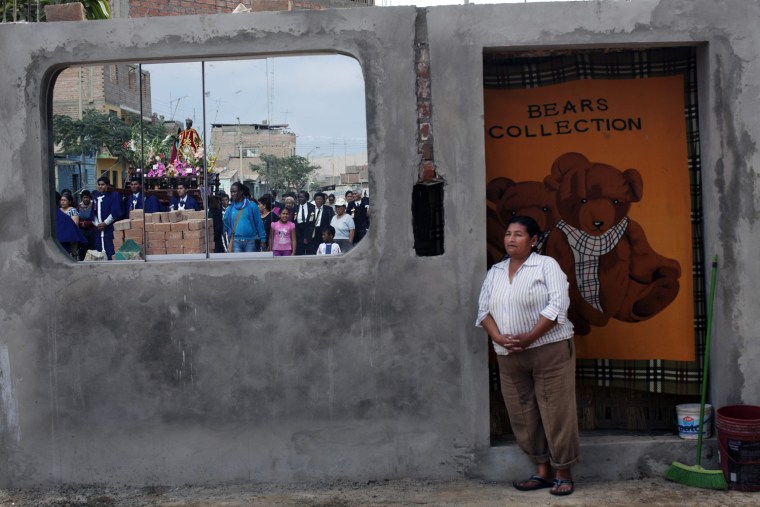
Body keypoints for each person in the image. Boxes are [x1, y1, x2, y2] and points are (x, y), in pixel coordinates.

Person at [475, 215, 578, 497]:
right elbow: (483, 310)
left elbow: (558, 306)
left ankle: (563, 471)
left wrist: (530, 336)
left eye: (519, 234)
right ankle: (542, 471)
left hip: (549, 350)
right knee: (522, 414)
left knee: (556, 411)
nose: (511, 239)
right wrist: (497, 337)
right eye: (508, 233)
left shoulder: (546, 265)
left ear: (533, 241)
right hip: (508, 354)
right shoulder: (495, 271)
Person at [223, 182, 266, 253]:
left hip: (250, 241)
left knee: (250, 263)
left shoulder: (252, 206)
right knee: (238, 263)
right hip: (236, 242)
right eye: (231, 192)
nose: (232, 194)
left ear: (241, 192)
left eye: (234, 191)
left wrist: (263, 240)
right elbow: (225, 223)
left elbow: (259, 223)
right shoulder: (230, 209)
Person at [92, 176, 124, 260]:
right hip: (99, 229)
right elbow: (93, 213)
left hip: (110, 228)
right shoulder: (96, 196)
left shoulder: (114, 195)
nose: (100, 186)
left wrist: (105, 223)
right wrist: (97, 224)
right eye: (99, 185)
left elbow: (115, 212)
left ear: (108, 185)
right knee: (99, 251)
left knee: (111, 250)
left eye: (102, 184)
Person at [293, 190, 315, 255]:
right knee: (299, 250)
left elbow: (312, 222)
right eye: (299, 197)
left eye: (302, 197)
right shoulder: (295, 207)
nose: (300, 199)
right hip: (298, 230)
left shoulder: (311, 207)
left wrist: (307, 237)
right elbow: (294, 220)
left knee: (308, 250)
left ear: (307, 198)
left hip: (307, 228)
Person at [77, 189, 96, 259]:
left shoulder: (93, 206)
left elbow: (95, 218)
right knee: (83, 248)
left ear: (90, 198)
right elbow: (76, 218)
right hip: (82, 231)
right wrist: (80, 223)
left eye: (87, 197)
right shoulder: (79, 207)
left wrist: (86, 223)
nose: (85, 199)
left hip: (91, 231)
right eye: (84, 197)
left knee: (91, 248)